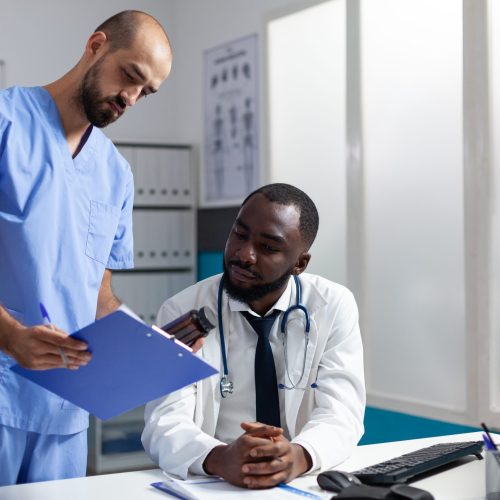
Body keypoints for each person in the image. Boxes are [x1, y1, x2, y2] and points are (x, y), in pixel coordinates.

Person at [0, 10, 173, 485]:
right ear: (96, 45)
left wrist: (153, 343)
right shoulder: (5, 123)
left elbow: (98, 295)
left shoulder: (115, 174)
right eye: (130, 77)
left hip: (64, 415)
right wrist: (12, 337)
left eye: (146, 93)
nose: (131, 98)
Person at [142, 183, 366, 489]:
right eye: (239, 233)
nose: (244, 254)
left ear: (299, 263)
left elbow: (342, 411)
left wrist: (298, 456)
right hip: (216, 482)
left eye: (268, 247)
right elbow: (163, 421)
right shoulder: (183, 310)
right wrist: (220, 458)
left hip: (299, 481)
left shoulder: (332, 305)